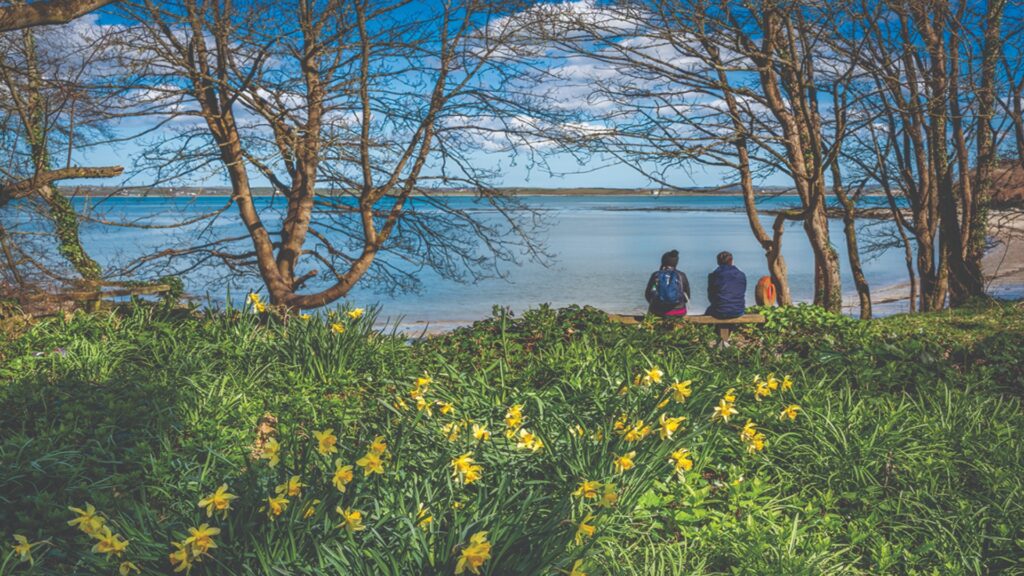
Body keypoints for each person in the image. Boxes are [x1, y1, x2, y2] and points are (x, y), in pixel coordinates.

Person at [645, 250, 690, 317]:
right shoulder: (681, 275)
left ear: (663, 261)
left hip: (657, 312)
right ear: (676, 263)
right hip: (679, 312)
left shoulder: (656, 275)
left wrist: (658, 304)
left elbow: (647, 295)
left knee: (652, 309)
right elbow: (687, 297)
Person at [706, 251, 747, 319]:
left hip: (719, 311)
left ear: (718, 262)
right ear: (732, 261)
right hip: (738, 311)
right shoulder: (741, 275)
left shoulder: (713, 275)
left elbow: (710, 297)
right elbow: (742, 292)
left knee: (709, 311)